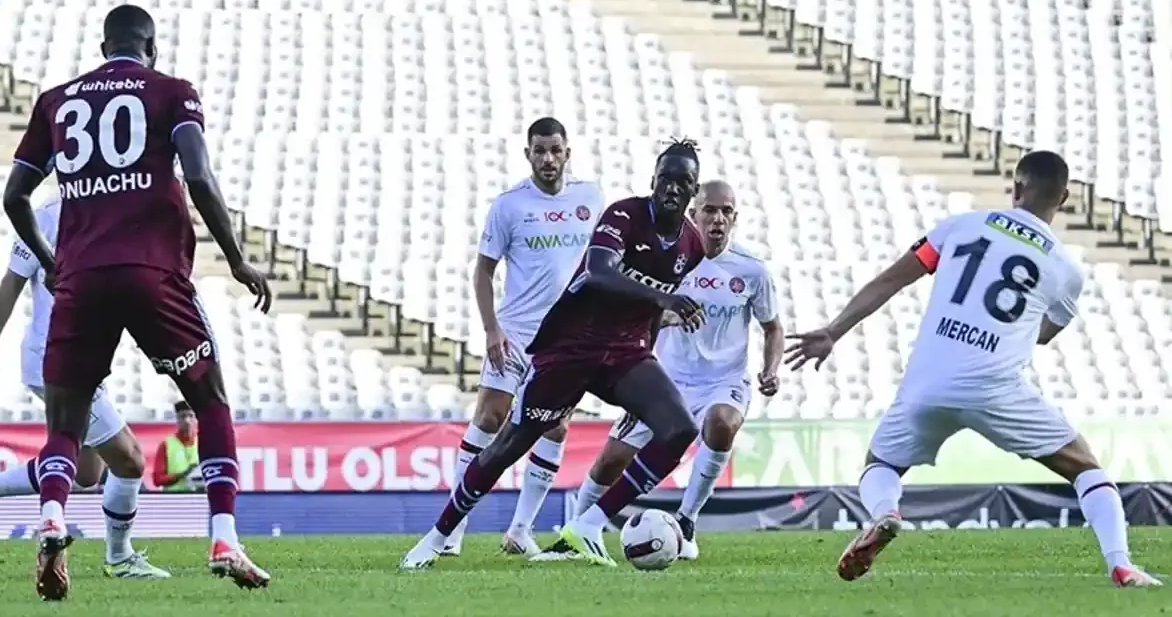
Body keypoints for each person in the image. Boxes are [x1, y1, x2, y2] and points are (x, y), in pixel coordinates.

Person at [785, 150, 1162, 588]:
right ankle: (1120, 563)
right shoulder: (1066, 271)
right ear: (1063, 199)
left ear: (1016, 188)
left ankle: (884, 512)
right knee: (1085, 468)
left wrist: (833, 331)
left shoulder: (960, 227)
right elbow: (1043, 335)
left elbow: (892, 279)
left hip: (928, 382)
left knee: (881, 462)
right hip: (996, 388)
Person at [3, 4, 274, 599]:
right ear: (151, 48)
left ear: (104, 48)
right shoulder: (172, 92)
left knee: (66, 423)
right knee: (210, 401)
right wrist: (235, 258)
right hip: (154, 272)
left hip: (82, 278)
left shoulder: (56, 102)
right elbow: (198, 176)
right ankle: (224, 538)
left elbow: (14, 196)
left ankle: (52, 517)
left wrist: (51, 261)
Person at [401, 140, 708, 570]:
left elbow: (652, 310)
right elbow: (598, 272)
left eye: (683, 181)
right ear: (652, 180)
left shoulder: (691, 246)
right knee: (509, 444)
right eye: (666, 178)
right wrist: (664, 298)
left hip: (625, 353)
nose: (672, 188)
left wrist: (648, 357)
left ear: (693, 190)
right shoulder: (624, 215)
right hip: (571, 347)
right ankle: (437, 537)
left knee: (680, 429)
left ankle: (588, 525)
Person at [0, 191, 169, 579]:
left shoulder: (115, 206)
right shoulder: (48, 214)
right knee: (129, 459)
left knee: (86, 472)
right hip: (56, 356)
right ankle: (119, 558)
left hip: (84, 357)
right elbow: (11, 284)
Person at [553, 180, 783, 562]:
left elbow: (773, 327)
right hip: (666, 378)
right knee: (611, 460)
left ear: (735, 218)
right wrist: (663, 317)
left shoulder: (752, 270)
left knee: (722, 422)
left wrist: (770, 369)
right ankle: (575, 535)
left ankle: (687, 521)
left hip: (723, 381)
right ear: (693, 214)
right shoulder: (670, 258)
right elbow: (629, 308)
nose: (718, 219)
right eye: (710, 210)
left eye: (726, 212)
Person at [445, 117, 605, 558]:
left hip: (567, 339)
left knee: (556, 426)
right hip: (515, 332)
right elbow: (483, 270)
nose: (548, 158)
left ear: (567, 152)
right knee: (490, 418)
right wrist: (490, 328)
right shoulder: (509, 205)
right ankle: (452, 528)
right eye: (540, 150)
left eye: (555, 150)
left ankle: (520, 529)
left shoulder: (590, 197)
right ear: (528, 154)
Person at [152, 402, 204, 491]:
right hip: (175, 497)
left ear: (196, 419)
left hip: (199, 496)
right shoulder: (166, 445)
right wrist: (183, 474)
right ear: (177, 419)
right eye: (183, 416)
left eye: (191, 416)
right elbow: (157, 479)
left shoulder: (204, 443)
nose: (187, 421)